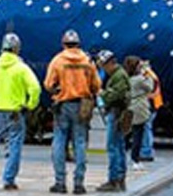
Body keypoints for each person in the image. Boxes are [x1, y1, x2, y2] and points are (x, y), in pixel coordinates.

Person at [0, 33, 41, 191]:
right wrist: (30, 104)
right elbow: (35, 88)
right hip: (15, 112)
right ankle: (8, 180)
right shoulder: (22, 68)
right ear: (17, 49)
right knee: (14, 146)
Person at [44, 29, 101, 194]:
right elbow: (97, 85)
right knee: (80, 142)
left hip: (62, 105)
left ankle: (60, 183)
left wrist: (57, 89)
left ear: (63, 44)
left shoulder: (58, 60)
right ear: (78, 44)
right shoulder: (87, 61)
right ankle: (79, 184)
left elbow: (48, 84)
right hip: (82, 106)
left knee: (59, 142)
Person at [95, 51, 129, 193]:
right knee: (119, 146)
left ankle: (114, 179)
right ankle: (120, 179)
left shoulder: (118, 76)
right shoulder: (117, 74)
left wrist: (102, 93)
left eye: (103, 66)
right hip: (118, 113)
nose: (103, 69)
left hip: (116, 113)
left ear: (110, 63)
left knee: (113, 147)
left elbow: (116, 95)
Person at [126, 57, 158, 168]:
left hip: (130, 107)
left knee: (128, 134)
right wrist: (147, 72)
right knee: (138, 134)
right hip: (140, 109)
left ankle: (127, 155)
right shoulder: (139, 79)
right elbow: (151, 86)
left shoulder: (127, 78)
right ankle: (136, 159)